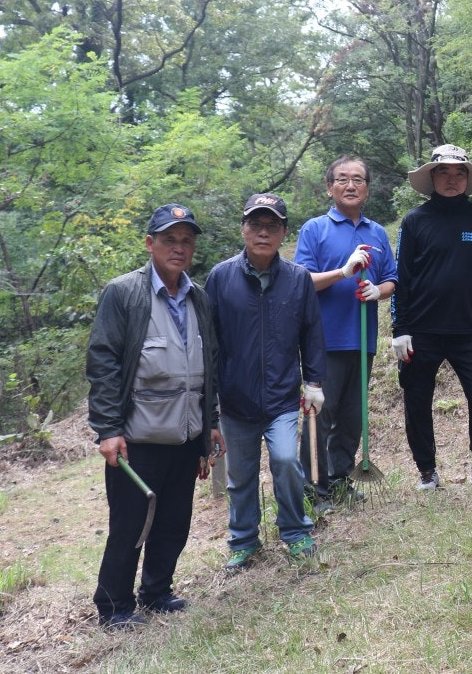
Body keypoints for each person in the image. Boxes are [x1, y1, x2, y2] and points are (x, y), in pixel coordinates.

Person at [87, 204, 224, 630]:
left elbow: (209, 364)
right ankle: (114, 607)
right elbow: (103, 360)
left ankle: (157, 591)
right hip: (138, 435)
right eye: (169, 240)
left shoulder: (198, 296)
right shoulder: (124, 292)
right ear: (150, 244)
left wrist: (211, 423)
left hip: (186, 433)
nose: (179, 248)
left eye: (186, 241)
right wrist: (108, 429)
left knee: (174, 520)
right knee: (130, 524)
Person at [390, 144, 472, 490]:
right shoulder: (415, 221)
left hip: (467, 329)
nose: (451, 179)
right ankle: (427, 471)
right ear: (432, 178)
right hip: (420, 330)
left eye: (459, 173)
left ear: (467, 178)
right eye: (444, 173)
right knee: (418, 402)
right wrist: (399, 329)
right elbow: (402, 277)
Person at [205, 193, 326, 569]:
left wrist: (315, 382)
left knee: (287, 462)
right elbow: (209, 343)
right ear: (242, 229)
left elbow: (312, 333)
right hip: (236, 401)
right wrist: (209, 403)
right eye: (255, 225)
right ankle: (243, 540)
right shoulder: (220, 278)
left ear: (284, 233)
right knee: (240, 476)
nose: (262, 233)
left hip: (282, 398)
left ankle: (295, 531)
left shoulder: (298, 279)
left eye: (272, 226)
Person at [294, 156, 397, 509]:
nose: (350, 185)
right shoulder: (314, 229)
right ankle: (313, 490)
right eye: (342, 179)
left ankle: (339, 480)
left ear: (367, 188)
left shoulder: (378, 232)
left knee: (352, 418)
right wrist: (343, 271)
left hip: (363, 340)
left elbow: (392, 279)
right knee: (320, 417)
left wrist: (377, 291)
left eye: (358, 179)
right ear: (329, 187)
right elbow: (302, 281)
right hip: (324, 341)